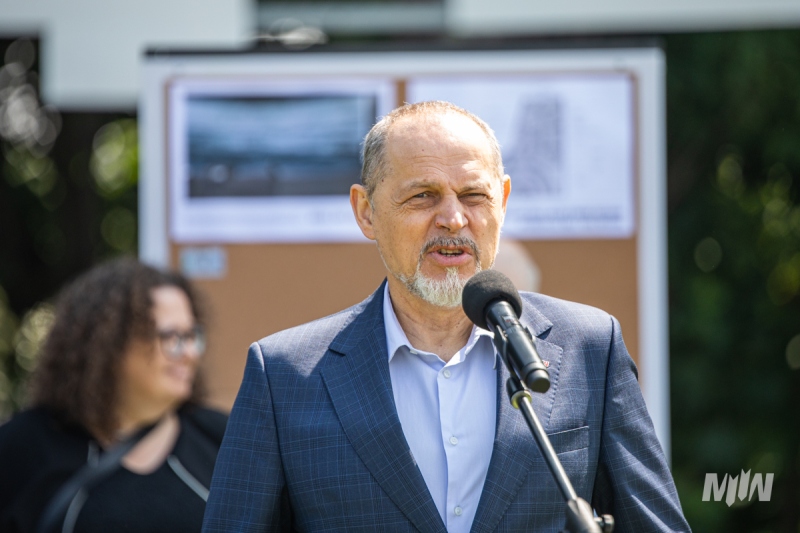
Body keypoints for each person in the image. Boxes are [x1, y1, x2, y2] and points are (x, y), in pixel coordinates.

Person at [202, 101, 690, 532]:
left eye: (474, 195)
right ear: (366, 211)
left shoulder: (589, 348)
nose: (453, 218)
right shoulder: (285, 375)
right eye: (423, 196)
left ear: (502, 200)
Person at [0, 257, 228, 533]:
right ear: (110, 343)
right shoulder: (24, 446)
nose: (190, 353)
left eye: (192, 336)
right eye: (171, 337)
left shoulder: (223, 440)